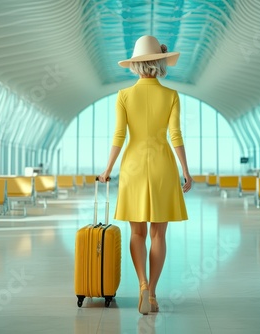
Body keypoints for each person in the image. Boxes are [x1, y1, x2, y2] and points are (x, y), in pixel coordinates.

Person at [98, 35, 192, 315]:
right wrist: (186, 170)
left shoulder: (124, 95)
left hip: (133, 167)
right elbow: (175, 134)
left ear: (136, 65)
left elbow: (119, 135)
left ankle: (140, 283)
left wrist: (107, 170)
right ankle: (152, 293)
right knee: (158, 234)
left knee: (137, 232)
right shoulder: (171, 95)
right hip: (163, 165)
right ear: (159, 64)